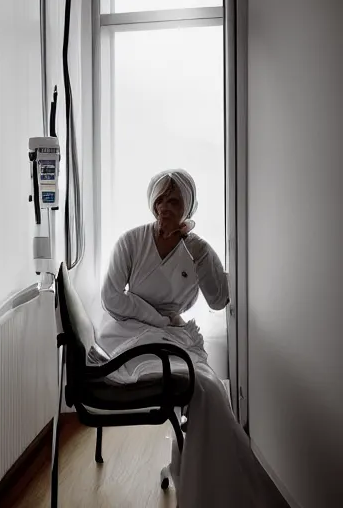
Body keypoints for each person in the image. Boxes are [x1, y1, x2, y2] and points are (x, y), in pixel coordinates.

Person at [97, 169, 284, 508]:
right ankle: (201, 477)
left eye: (174, 200)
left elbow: (217, 299)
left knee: (210, 388)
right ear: (151, 202)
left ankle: (202, 476)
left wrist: (199, 253)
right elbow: (111, 298)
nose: (164, 206)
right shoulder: (131, 241)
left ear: (188, 207)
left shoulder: (197, 249)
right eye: (160, 198)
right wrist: (159, 318)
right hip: (130, 336)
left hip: (175, 336)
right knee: (202, 386)